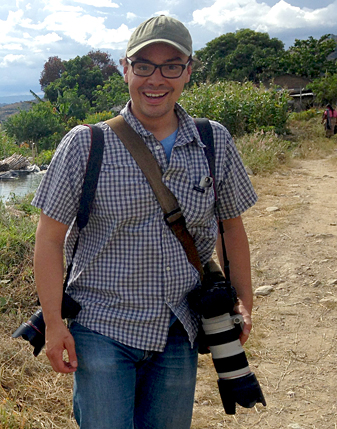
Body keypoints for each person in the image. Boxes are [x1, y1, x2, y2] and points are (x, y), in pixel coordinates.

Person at [31, 15, 258, 429]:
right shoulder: (86, 144)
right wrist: (52, 324)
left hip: (179, 327)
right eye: (144, 66)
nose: (157, 79)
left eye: (171, 65)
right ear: (125, 69)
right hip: (103, 328)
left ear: (188, 71)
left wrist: (244, 300)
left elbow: (231, 228)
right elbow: (48, 239)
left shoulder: (213, 142)